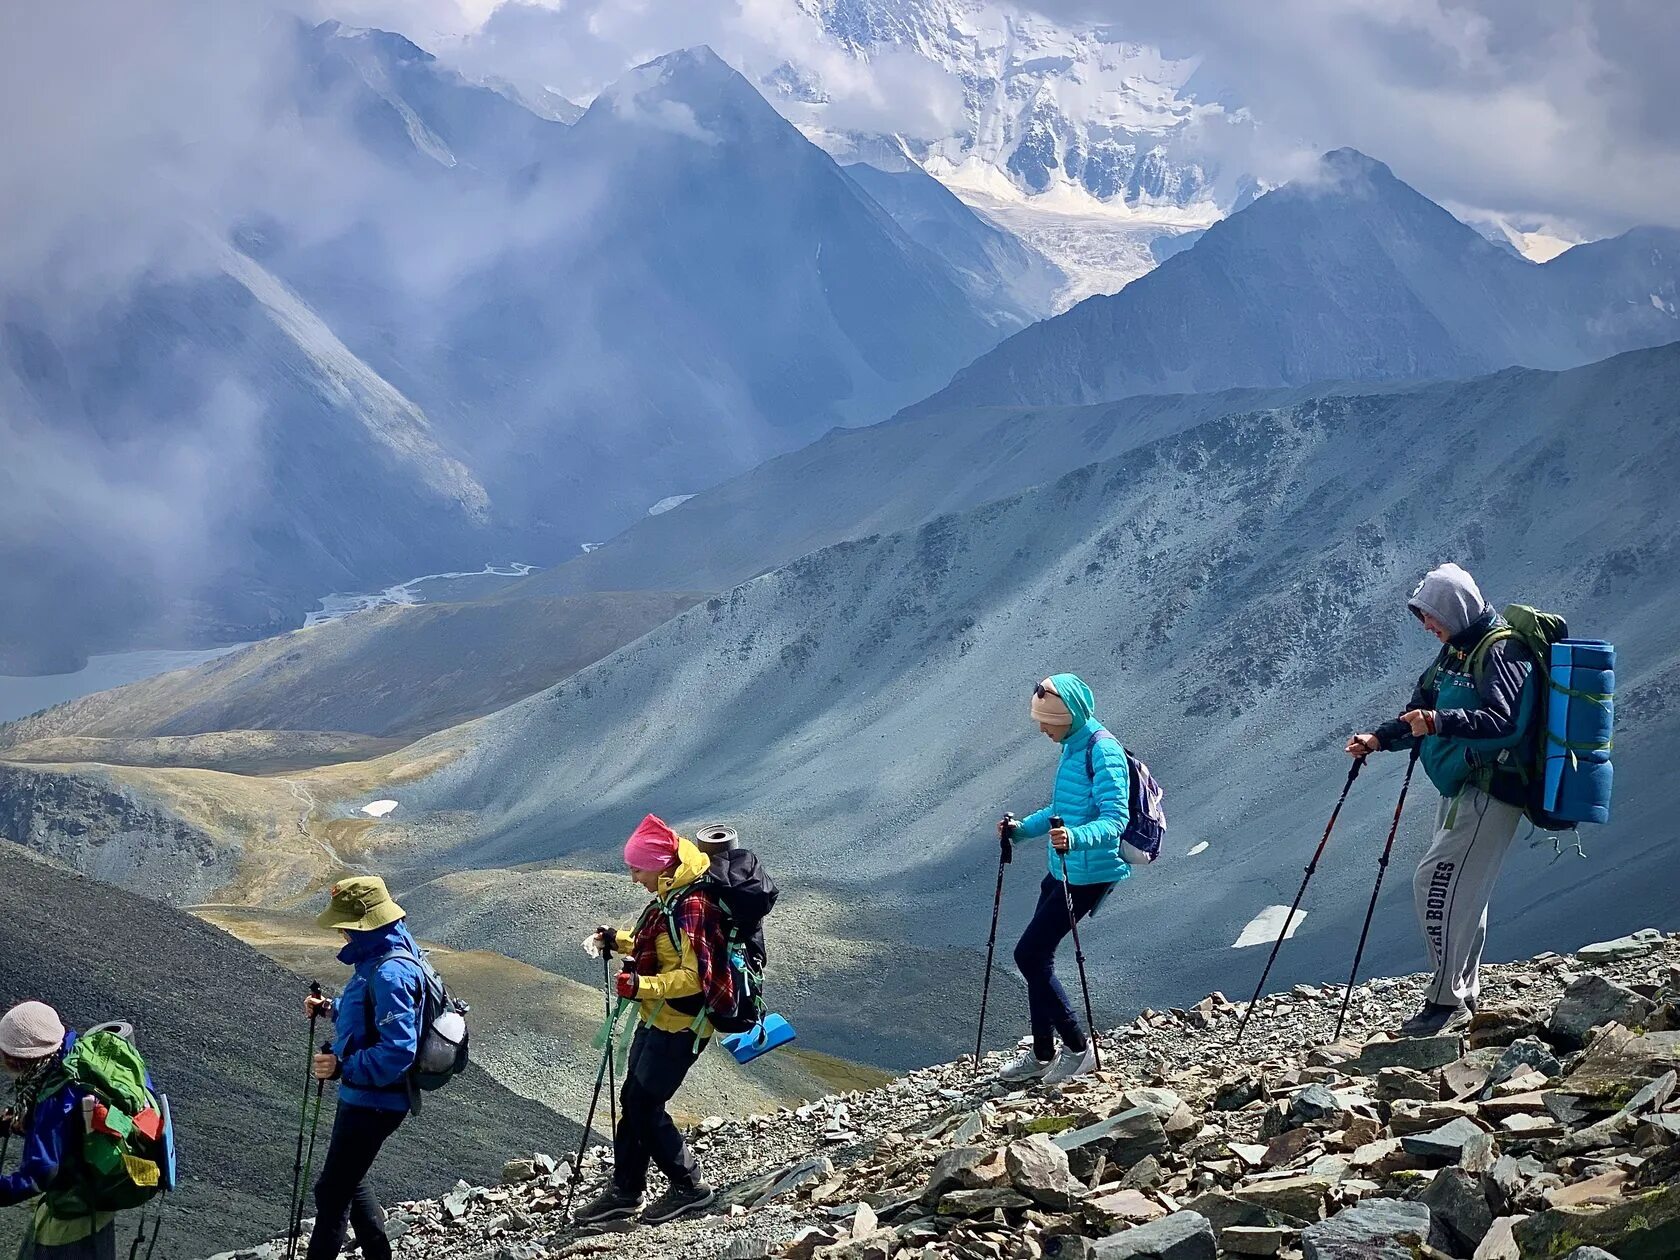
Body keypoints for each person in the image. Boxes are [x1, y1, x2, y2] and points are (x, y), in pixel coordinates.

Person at [1347, 563, 1539, 1037]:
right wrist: (1378, 738)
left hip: (1492, 788)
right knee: (1462, 891)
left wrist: (1439, 723)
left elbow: (1506, 723)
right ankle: (1461, 994)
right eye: (1423, 619)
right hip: (1461, 787)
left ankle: (1445, 1003)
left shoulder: (1502, 650)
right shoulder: (1456, 653)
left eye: (1431, 616)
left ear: (1454, 608)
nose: (1427, 627)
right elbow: (1419, 708)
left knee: (1435, 881)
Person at [575, 816, 724, 1226]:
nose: (633, 877)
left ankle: (689, 1186)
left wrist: (642, 986)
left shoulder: (692, 905)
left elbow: (697, 976)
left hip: (682, 1025)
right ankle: (626, 1191)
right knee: (635, 1102)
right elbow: (654, 943)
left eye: (637, 868)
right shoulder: (671, 893)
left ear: (660, 863)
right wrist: (615, 938)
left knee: (642, 1103)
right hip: (658, 1018)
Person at [995, 674, 1130, 1085]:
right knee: (1039, 959)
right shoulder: (1074, 746)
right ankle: (1041, 1054)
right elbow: (1063, 806)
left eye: (1047, 721)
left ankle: (1077, 1049)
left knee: (1029, 955)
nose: (1041, 728)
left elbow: (1116, 818)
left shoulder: (1103, 751)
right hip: (1064, 868)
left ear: (1067, 716)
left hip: (1089, 873)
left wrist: (1074, 837)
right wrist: (1021, 831)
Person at [303, 877, 425, 1260]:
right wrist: (330, 1008)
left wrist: (341, 1067)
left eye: (344, 923)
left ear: (361, 922)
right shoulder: (387, 952)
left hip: (374, 1099)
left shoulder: (389, 971)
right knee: (350, 1182)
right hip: (372, 1095)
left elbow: (397, 1050)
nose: (339, 931)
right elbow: (369, 1013)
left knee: (332, 1192)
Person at [0, 1002, 115, 1260]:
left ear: (21, 1058)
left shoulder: (53, 1100)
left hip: (74, 1216)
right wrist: (23, 1123)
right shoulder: (70, 1054)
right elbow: (70, 1128)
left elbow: (40, 1174)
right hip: (99, 1202)